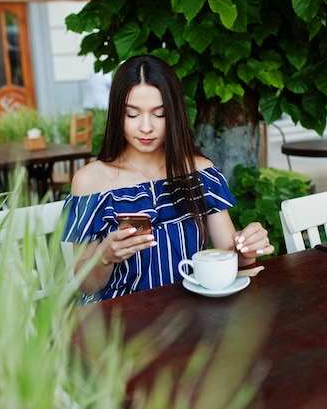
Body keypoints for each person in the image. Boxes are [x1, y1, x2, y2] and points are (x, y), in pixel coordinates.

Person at [61, 55, 273, 303]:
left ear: (174, 114)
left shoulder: (200, 173)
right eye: (132, 114)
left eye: (159, 114)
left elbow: (231, 257)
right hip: (121, 325)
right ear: (117, 114)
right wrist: (106, 256)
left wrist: (247, 248)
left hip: (192, 314)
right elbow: (84, 285)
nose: (146, 127)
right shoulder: (91, 182)